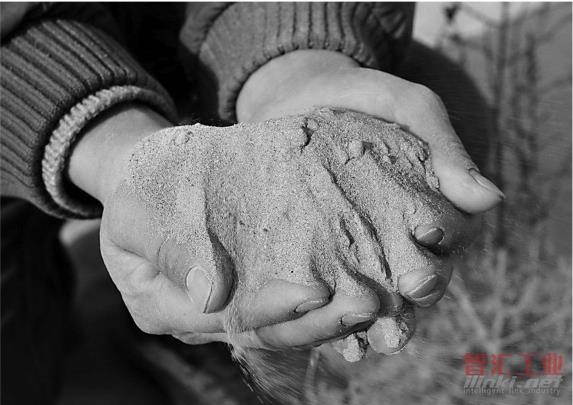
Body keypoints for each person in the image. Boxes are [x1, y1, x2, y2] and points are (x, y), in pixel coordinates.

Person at [0, 3, 503, 404]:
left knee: (447, 109)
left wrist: (295, 60)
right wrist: (113, 148)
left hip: (179, 34)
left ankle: (191, 340)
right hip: (23, 74)